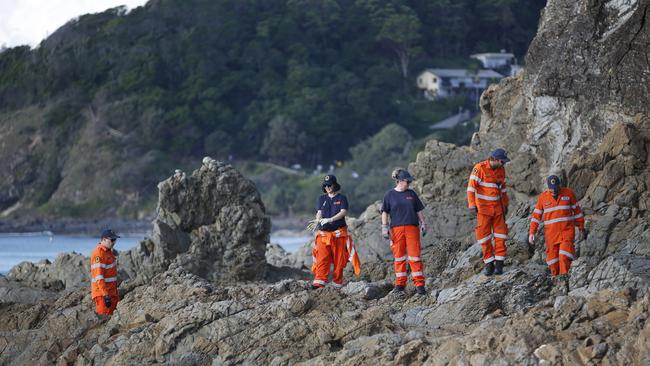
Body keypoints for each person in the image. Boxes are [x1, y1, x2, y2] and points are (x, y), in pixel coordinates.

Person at [529, 175, 586, 294]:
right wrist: (532, 232)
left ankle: (565, 284)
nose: (554, 191)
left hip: (566, 233)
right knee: (552, 262)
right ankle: (557, 286)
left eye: (556, 189)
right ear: (548, 187)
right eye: (551, 189)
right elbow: (536, 217)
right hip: (551, 236)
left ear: (559, 185)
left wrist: (581, 229)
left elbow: (577, 213)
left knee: (564, 257)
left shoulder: (569, 194)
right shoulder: (543, 198)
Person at [381, 168, 427, 295]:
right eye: (407, 182)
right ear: (400, 181)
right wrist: (384, 227)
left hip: (412, 228)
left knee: (415, 256)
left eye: (410, 182)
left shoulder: (411, 194)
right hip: (396, 229)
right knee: (399, 257)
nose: (409, 184)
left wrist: (423, 223)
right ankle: (400, 284)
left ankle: (419, 285)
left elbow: (418, 210)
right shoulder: (389, 195)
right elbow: (384, 212)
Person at [467, 148, 510, 276]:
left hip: (498, 209)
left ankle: (499, 265)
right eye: (502, 162)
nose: (504, 164)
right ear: (495, 160)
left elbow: (503, 189)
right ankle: (489, 265)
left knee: (501, 236)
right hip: (483, 210)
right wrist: (472, 205)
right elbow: (470, 188)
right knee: (484, 238)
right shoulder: (479, 168)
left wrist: (506, 205)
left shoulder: (501, 169)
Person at [310, 175, 358, 289]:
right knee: (322, 257)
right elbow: (319, 212)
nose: (327, 187)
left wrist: (331, 219)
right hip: (324, 234)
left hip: (338, 234)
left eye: (329, 185)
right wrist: (318, 219)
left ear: (334, 185)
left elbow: (343, 212)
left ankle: (337, 283)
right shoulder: (321, 199)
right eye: (325, 185)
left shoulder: (341, 198)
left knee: (339, 260)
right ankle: (319, 282)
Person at [90, 229, 120, 315]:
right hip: (103, 295)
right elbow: (99, 277)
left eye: (115, 240)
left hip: (112, 293)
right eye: (112, 240)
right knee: (104, 320)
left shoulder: (108, 252)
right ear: (103, 239)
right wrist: (106, 295)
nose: (114, 242)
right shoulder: (99, 254)